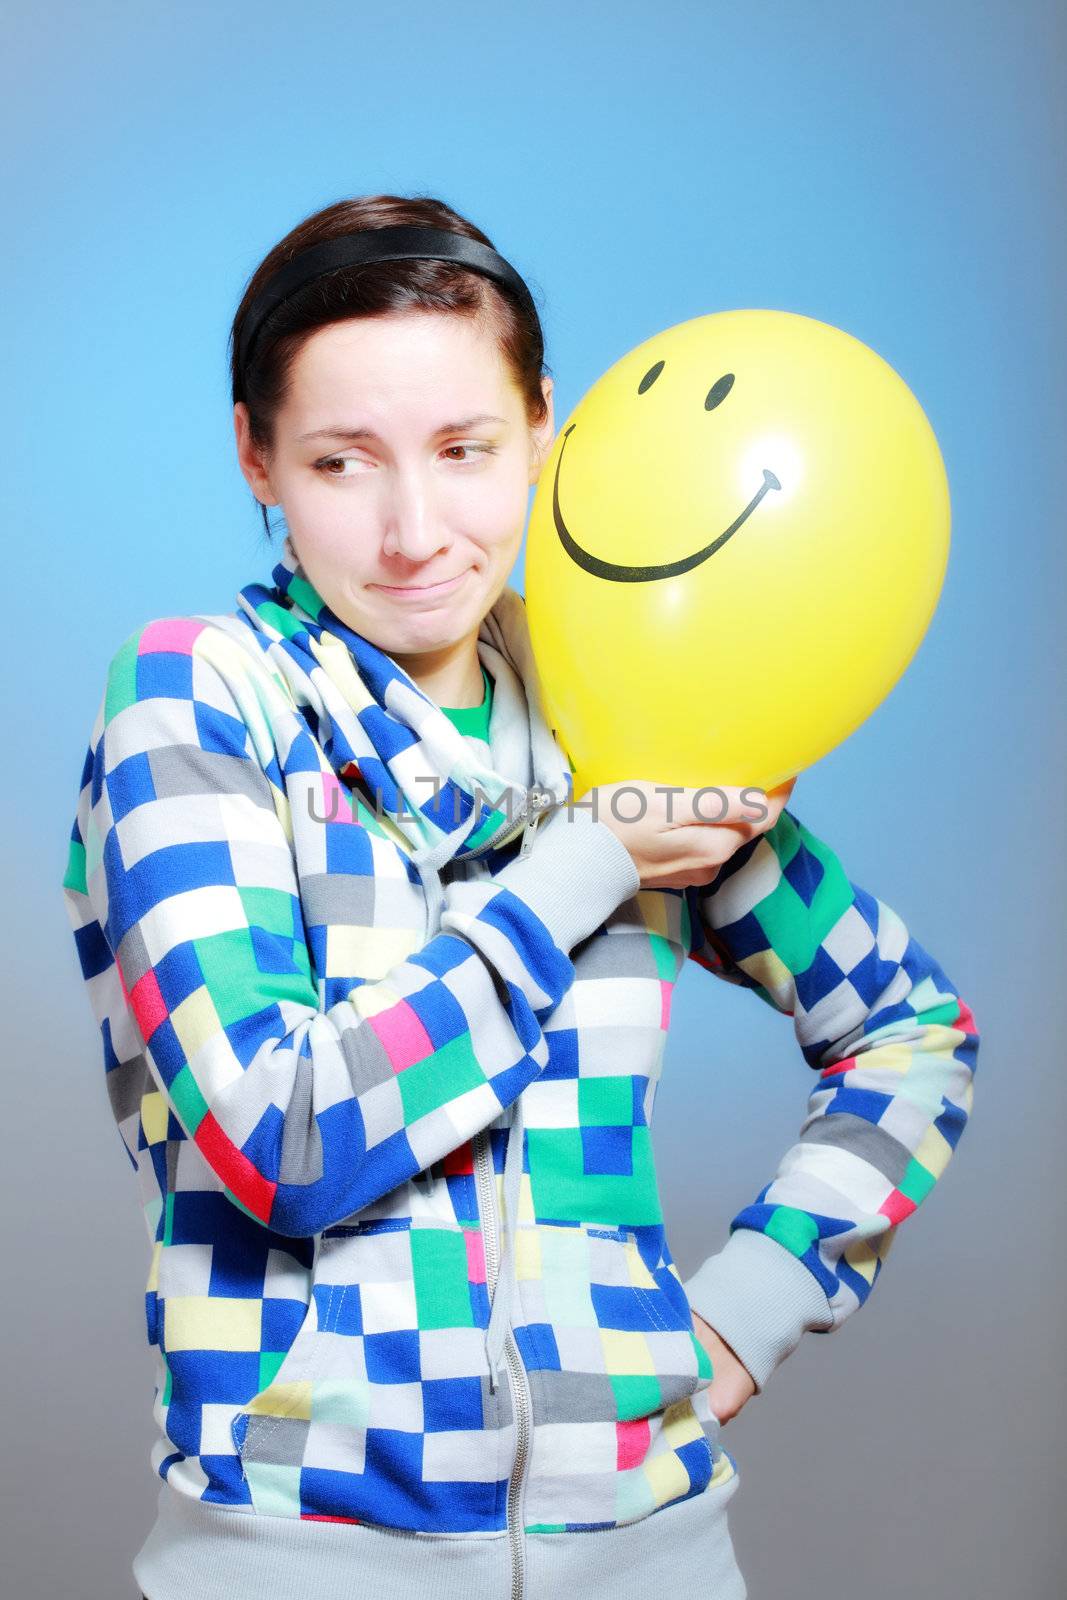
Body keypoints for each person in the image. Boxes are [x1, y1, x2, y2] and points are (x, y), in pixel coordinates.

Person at [62, 193, 979, 1600]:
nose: (414, 528)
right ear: (257, 456)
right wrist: (590, 862)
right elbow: (286, 1138)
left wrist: (750, 1308)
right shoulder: (196, 701)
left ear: (546, 426)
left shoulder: (629, 698)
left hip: (655, 1555)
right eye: (340, 460)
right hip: (296, 1562)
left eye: (466, 450)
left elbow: (911, 1033)